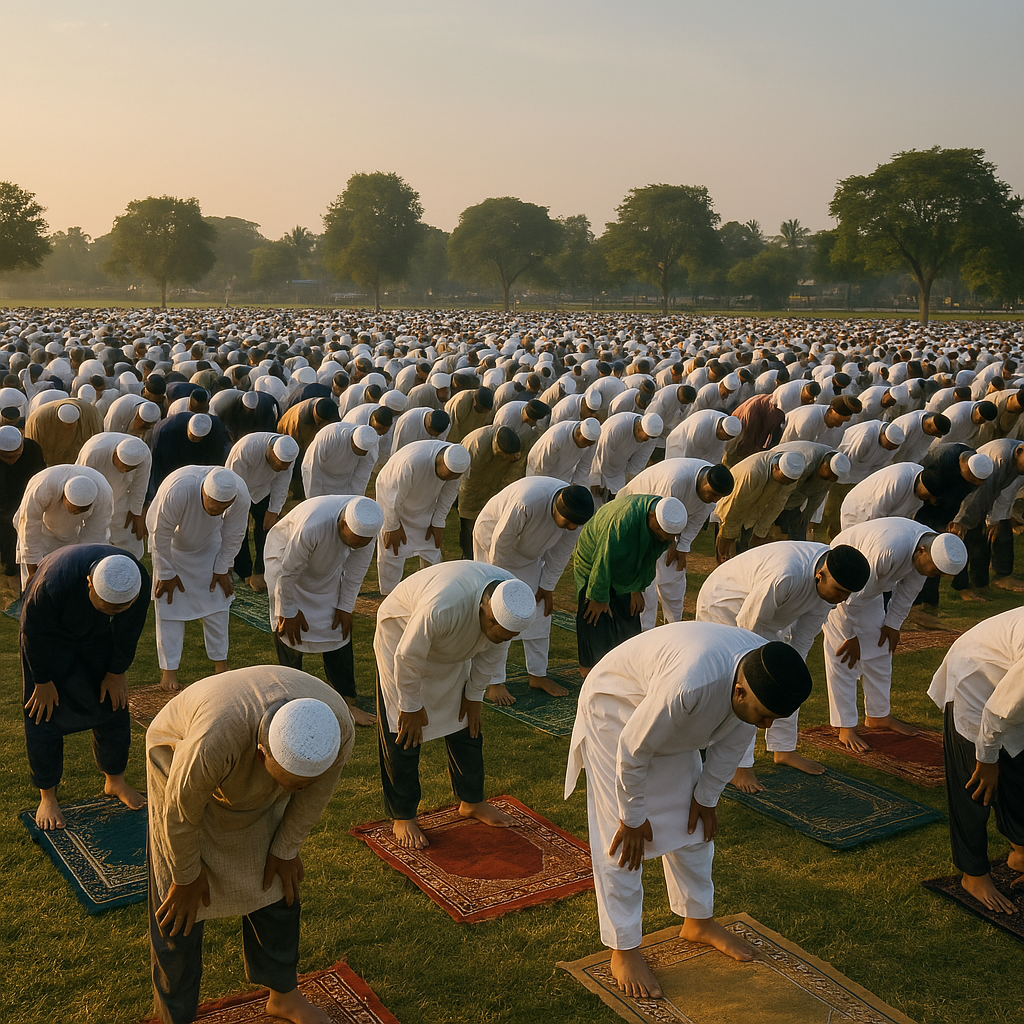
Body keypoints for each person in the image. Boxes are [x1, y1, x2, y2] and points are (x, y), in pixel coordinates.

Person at [564, 623, 812, 999]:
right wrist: (632, 817)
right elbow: (633, 749)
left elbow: (736, 735)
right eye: (764, 716)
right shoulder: (689, 684)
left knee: (695, 828)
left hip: (673, 719)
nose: (767, 726)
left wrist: (707, 795)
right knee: (623, 845)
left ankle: (698, 921)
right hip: (616, 711)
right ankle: (624, 948)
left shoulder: (763, 668)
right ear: (740, 690)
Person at [146, 667, 354, 1024]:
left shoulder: (335, 731)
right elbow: (179, 814)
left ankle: (284, 996)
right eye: (290, 783)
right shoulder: (213, 740)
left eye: (301, 785)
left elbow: (314, 796)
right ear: (262, 756)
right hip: (178, 762)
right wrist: (184, 876)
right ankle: (174, 1017)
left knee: (278, 885)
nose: (295, 793)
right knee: (179, 911)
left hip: (251, 780)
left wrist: (285, 849)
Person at [374, 562, 536, 849]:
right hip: (400, 637)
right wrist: (410, 706)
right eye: (497, 629)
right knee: (404, 731)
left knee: (466, 723)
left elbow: (493, 653)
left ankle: (472, 801)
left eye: (511, 635)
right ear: (486, 610)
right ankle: (403, 814)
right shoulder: (442, 605)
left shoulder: (512, 599)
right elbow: (408, 656)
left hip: (452, 648)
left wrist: (474, 696)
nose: (503, 638)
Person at [696, 541, 871, 790]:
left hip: (766, 617)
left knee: (791, 675)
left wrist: (790, 670)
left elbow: (803, 639)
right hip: (724, 605)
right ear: (820, 576)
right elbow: (748, 624)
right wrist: (757, 671)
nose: (842, 600)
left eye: (847, 594)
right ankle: (739, 765)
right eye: (840, 591)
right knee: (748, 686)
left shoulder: (828, 582)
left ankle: (784, 749)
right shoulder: (785, 574)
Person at [20, 545, 149, 829]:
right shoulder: (51, 583)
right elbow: (33, 632)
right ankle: (48, 797)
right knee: (43, 714)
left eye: (121, 607)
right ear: (89, 583)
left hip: (97, 637)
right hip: (49, 641)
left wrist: (116, 671)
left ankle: (115, 781)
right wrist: (42, 680)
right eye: (109, 606)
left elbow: (128, 630)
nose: (116, 611)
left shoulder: (136, 577)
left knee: (113, 704)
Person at [825, 518, 968, 751]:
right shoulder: (888, 551)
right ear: (922, 551)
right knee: (843, 657)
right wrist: (848, 636)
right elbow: (847, 600)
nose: (934, 575)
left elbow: (910, 588)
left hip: (870, 587)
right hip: (841, 582)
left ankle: (878, 715)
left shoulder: (931, 545)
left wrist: (892, 624)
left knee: (881, 648)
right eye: (934, 569)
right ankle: (845, 726)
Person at [927, 608, 1024, 914]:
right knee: (976, 784)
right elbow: (997, 711)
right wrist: (987, 759)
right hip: (975, 676)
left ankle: (1020, 850)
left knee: (1020, 770)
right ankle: (974, 875)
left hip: (1009, 678)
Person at [264, 495, 383, 727]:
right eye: (355, 541)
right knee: (289, 631)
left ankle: (345, 700)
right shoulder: (313, 525)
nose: (357, 546)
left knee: (337, 628)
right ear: (342, 524)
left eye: (362, 543)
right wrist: (288, 610)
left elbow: (355, 571)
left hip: (326, 568)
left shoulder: (368, 524)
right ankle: (290, 700)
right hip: (284, 560)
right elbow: (288, 573)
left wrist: (345, 607)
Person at [473, 477, 595, 704]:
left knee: (539, 612)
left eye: (575, 525)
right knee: (502, 614)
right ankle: (495, 681)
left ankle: (538, 676)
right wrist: (499, 583)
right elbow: (502, 540)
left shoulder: (575, 516)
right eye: (568, 522)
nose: (571, 528)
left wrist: (547, 586)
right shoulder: (527, 502)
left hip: (529, 556)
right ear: (558, 505)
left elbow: (561, 552)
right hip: (493, 547)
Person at [147, 466, 249, 691]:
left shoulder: (240, 494)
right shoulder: (179, 489)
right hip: (172, 547)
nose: (216, 510)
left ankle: (221, 666)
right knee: (169, 608)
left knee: (218, 605)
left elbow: (234, 534)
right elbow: (160, 534)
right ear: (204, 491)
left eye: (223, 507)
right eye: (213, 505)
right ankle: (169, 671)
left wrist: (222, 568)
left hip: (210, 546)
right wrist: (166, 573)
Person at [573, 493, 687, 675]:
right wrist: (598, 597)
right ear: (652, 518)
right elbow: (603, 561)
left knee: (628, 622)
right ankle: (589, 673)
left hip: (626, 570)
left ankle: (621, 670)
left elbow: (649, 559)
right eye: (662, 534)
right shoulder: (620, 522)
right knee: (594, 619)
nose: (664, 539)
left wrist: (636, 588)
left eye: (669, 537)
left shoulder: (665, 525)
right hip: (593, 563)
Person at [618, 458, 735, 629]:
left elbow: (696, 520)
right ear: (704, 481)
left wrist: (682, 546)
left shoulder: (712, 491)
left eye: (719, 497)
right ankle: (644, 630)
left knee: (674, 570)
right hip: (637, 515)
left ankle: (674, 626)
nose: (715, 500)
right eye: (713, 494)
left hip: (668, 524)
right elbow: (659, 516)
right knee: (645, 578)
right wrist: (671, 541)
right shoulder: (675, 480)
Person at [374, 439, 470, 595]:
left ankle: (430, 591)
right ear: (440, 462)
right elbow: (393, 497)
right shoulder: (410, 463)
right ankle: (388, 594)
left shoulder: (457, 465)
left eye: (456, 476)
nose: (452, 478)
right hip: (391, 500)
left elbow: (448, 494)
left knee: (432, 549)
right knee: (392, 550)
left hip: (424, 506)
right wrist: (392, 526)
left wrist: (438, 523)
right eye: (450, 474)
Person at [14, 465, 115, 587]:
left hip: (72, 533)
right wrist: (32, 569)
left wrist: (85, 567)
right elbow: (29, 527)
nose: (76, 513)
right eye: (74, 510)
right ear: (63, 496)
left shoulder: (103, 494)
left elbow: (95, 534)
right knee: (34, 585)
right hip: (41, 532)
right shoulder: (43, 487)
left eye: (81, 511)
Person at [226, 432, 300, 591]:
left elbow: (282, 483)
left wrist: (273, 511)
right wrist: (238, 511)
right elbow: (234, 482)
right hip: (240, 488)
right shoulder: (246, 449)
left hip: (263, 491)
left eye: (284, 467)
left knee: (267, 529)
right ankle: (243, 573)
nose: (280, 469)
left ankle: (262, 572)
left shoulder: (289, 455)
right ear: (271, 451)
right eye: (278, 464)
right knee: (239, 529)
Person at [76, 432, 152, 558]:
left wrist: (136, 511)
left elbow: (140, 485)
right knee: (92, 533)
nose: (124, 471)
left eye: (129, 469)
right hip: (94, 494)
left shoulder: (144, 454)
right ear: (116, 454)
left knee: (128, 532)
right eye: (123, 466)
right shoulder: (94, 451)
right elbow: (82, 481)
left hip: (121, 493)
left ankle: (131, 561)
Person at [0, 424, 45, 594]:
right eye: (6, 457)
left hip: (27, 496)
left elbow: (40, 476)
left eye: (16, 455)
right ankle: (11, 572)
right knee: (7, 535)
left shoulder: (33, 449)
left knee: (32, 532)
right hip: (3, 503)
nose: (12, 460)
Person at [300, 423, 378, 499]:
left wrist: (356, 497)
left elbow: (361, 475)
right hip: (322, 475)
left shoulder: (371, 444)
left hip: (343, 480)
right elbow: (312, 467)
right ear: (353, 442)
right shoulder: (330, 437)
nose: (364, 455)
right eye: (360, 451)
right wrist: (313, 497)